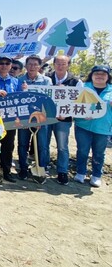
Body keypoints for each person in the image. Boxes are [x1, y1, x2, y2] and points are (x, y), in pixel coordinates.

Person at [73, 65, 112, 188]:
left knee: (99, 153)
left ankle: (96, 175)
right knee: (82, 150)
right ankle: (80, 172)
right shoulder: (83, 87)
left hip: (103, 127)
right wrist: (81, 113)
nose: (99, 76)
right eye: (97, 74)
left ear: (108, 77)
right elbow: (73, 103)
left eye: (103, 74)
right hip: (83, 125)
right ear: (92, 75)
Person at [46, 55, 82, 185]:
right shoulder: (47, 78)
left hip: (64, 119)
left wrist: (66, 113)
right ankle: (43, 167)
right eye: (58, 63)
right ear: (54, 64)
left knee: (62, 146)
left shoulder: (75, 81)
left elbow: (80, 102)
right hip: (47, 117)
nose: (60, 66)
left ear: (68, 65)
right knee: (44, 144)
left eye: (63, 64)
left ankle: (62, 171)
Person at [17, 54, 52, 182]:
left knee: (42, 145)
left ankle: (41, 168)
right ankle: (23, 168)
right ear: (26, 66)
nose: (32, 67)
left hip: (42, 119)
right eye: (30, 64)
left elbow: (49, 102)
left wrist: (41, 119)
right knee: (22, 144)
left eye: (35, 64)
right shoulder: (19, 80)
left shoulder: (46, 81)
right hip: (24, 118)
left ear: (40, 66)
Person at [0, 55, 19, 182]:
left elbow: (20, 100)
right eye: (1, 63)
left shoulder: (16, 82)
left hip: (10, 120)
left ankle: (6, 171)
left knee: (8, 146)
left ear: (11, 66)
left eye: (7, 63)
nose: (4, 65)